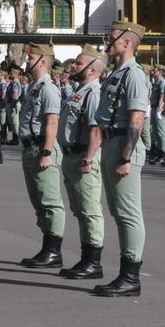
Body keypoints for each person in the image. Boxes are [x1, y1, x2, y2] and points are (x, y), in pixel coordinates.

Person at [91, 19, 150, 298]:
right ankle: (125, 274)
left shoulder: (134, 74)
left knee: (129, 214)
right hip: (112, 143)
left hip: (123, 147)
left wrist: (126, 156)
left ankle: (130, 276)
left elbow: (137, 117)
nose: (108, 42)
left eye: (112, 38)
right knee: (119, 213)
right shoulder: (118, 73)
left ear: (127, 42)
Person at [57, 47, 106, 280]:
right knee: (80, 210)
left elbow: (96, 128)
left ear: (92, 69)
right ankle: (85, 258)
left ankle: (93, 262)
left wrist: (88, 157)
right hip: (71, 156)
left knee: (90, 210)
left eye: (78, 63)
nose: (73, 66)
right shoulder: (80, 90)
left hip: (83, 156)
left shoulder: (94, 92)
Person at [16, 43, 64, 270]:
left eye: (31, 57)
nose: (27, 60)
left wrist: (46, 152)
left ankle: (54, 250)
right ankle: (47, 247)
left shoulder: (48, 88)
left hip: (41, 148)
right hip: (30, 148)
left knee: (50, 202)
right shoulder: (35, 86)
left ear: (43, 61)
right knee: (39, 202)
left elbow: (52, 121)